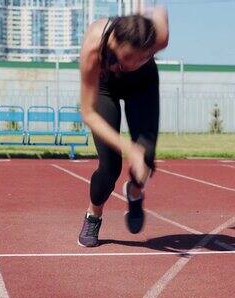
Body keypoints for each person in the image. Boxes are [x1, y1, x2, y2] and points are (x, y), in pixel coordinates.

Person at [77, 7, 169, 247]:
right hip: (105, 88)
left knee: (146, 156)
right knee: (110, 167)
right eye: (127, 59)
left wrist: (147, 11)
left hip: (143, 87)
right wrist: (129, 148)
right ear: (115, 43)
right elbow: (87, 112)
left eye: (143, 57)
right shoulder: (93, 49)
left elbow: (160, 10)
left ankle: (135, 193)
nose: (134, 64)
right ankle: (93, 214)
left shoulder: (158, 37)